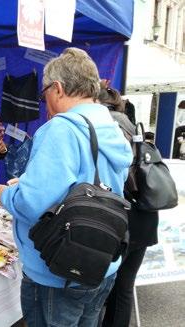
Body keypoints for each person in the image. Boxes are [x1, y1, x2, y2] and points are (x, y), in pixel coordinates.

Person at [0, 48, 132, 327]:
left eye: (44, 91)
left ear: (57, 88)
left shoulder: (61, 129)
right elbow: (91, 182)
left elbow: (32, 204)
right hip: (101, 260)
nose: (44, 98)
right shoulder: (109, 125)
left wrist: (6, 195)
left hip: (59, 271)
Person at [98, 86, 159, 327]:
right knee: (123, 289)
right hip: (145, 217)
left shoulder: (103, 130)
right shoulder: (136, 131)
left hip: (119, 220)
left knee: (100, 288)